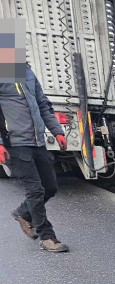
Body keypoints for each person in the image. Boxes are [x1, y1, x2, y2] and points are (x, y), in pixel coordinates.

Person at [0, 62, 70, 252]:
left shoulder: (27, 71)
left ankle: (22, 213)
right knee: (35, 191)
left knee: (50, 186)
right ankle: (47, 237)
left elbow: (42, 104)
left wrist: (58, 131)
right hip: (15, 143)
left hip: (37, 141)